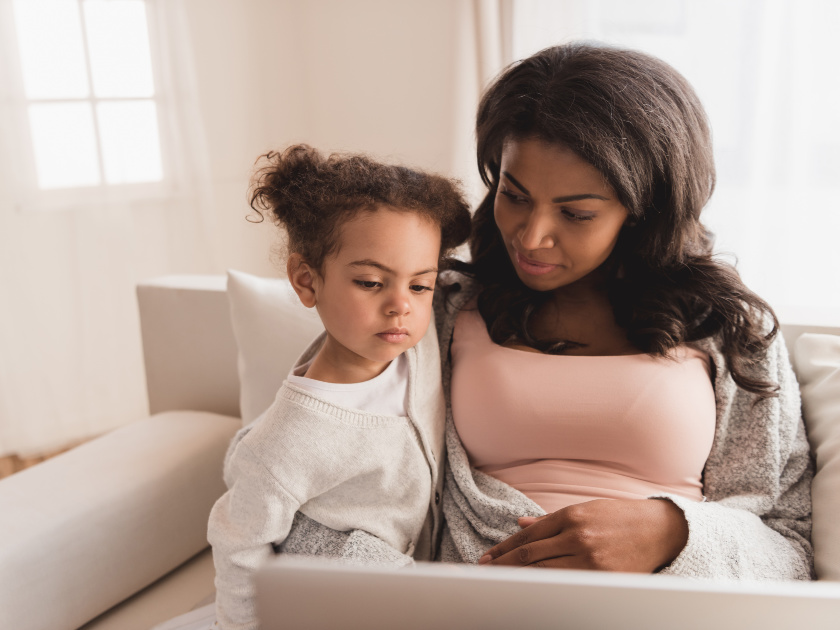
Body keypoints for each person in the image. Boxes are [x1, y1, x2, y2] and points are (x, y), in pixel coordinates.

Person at [435, 43, 814, 579]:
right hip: (473, 603)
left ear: (643, 212)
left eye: (576, 213)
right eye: (514, 195)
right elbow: (346, 485)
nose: (531, 235)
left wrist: (674, 533)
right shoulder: (437, 308)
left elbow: (792, 546)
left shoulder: (731, 332)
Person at [207, 145, 471, 629]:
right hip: (343, 601)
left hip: (426, 567)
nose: (401, 306)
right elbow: (237, 543)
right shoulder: (289, 440)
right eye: (371, 283)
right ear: (307, 281)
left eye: (419, 285)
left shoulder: (419, 339)